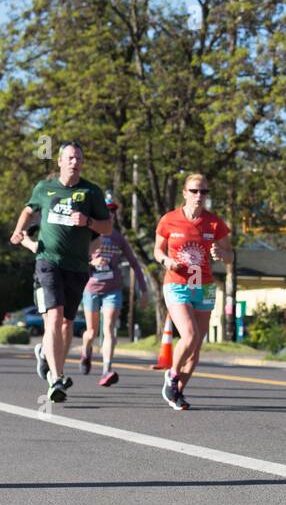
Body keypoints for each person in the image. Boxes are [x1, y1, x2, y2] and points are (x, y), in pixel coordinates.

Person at [10, 142, 112, 402]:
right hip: (47, 261)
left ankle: (48, 357)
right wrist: (19, 229)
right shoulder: (44, 188)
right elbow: (28, 210)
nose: (74, 162)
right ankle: (55, 379)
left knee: (67, 325)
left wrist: (88, 221)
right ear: (59, 161)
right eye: (69, 157)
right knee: (54, 319)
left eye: (78, 158)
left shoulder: (92, 192)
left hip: (77, 266)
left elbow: (107, 228)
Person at [154, 175, 233, 410]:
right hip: (177, 284)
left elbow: (231, 256)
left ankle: (177, 392)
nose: (200, 196)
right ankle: (172, 374)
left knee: (196, 344)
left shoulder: (214, 223)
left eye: (204, 192)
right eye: (195, 191)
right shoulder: (169, 220)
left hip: (204, 286)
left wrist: (222, 254)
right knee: (189, 335)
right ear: (185, 193)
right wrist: (166, 261)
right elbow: (157, 250)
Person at [82, 192, 144, 387]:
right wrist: (92, 261)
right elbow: (76, 258)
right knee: (92, 332)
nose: (111, 214)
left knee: (109, 328)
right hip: (91, 287)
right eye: (107, 210)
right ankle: (86, 350)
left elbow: (134, 263)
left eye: (113, 211)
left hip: (113, 288)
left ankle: (106, 369)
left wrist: (143, 289)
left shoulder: (118, 237)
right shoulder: (89, 234)